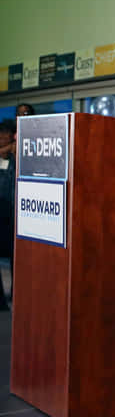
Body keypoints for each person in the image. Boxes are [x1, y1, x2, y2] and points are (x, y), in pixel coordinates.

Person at [0, 119, 17, 311]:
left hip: (12, 213)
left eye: (6, 133)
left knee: (14, 256)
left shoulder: (15, 156)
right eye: (0, 133)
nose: (2, 137)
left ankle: (16, 291)